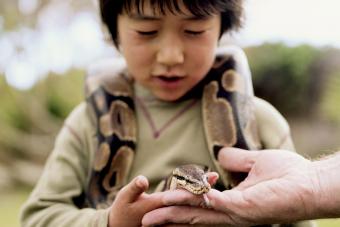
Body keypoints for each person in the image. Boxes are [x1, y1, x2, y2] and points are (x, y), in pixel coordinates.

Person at [20, 0, 315, 226]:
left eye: (194, 31)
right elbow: (37, 217)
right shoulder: (85, 123)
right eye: (147, 31)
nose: (171, 56)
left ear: (221, 30)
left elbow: (300, 216)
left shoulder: (262, 121)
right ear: (115, 33)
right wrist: (109, 221)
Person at [142, 147, 340, 226]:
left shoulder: (265, 118)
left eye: (201, 181)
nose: (202, 187)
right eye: (192, 183)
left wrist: (315, 182)